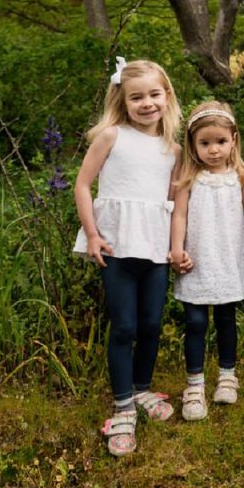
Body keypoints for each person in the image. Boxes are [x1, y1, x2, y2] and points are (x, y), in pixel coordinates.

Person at [73, 57, 182, 457]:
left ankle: (141, 390)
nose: (147, 103)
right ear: (123, 99)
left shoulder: (173, 148)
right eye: (137, 97)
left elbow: (174, 201)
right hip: (116, 244)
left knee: (152, 324)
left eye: (154, 94)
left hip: (155, 246)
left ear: (166, 96)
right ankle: (122, 406)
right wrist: (92, 234)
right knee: (124, 326)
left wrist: (176, 245)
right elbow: (83, 186)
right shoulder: (110, 136)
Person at [168, 101, 244, 421]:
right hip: (197, 257)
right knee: (196, 322)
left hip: (227, 258)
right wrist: (176, 249)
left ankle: (227, 375)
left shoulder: (239, 174)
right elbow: (179, 214)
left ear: (233, 140)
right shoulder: (187, 177)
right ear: (193, 145)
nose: (213, 150)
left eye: (220, 142)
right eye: (205, 143)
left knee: (226, 319)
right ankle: (194, 385)